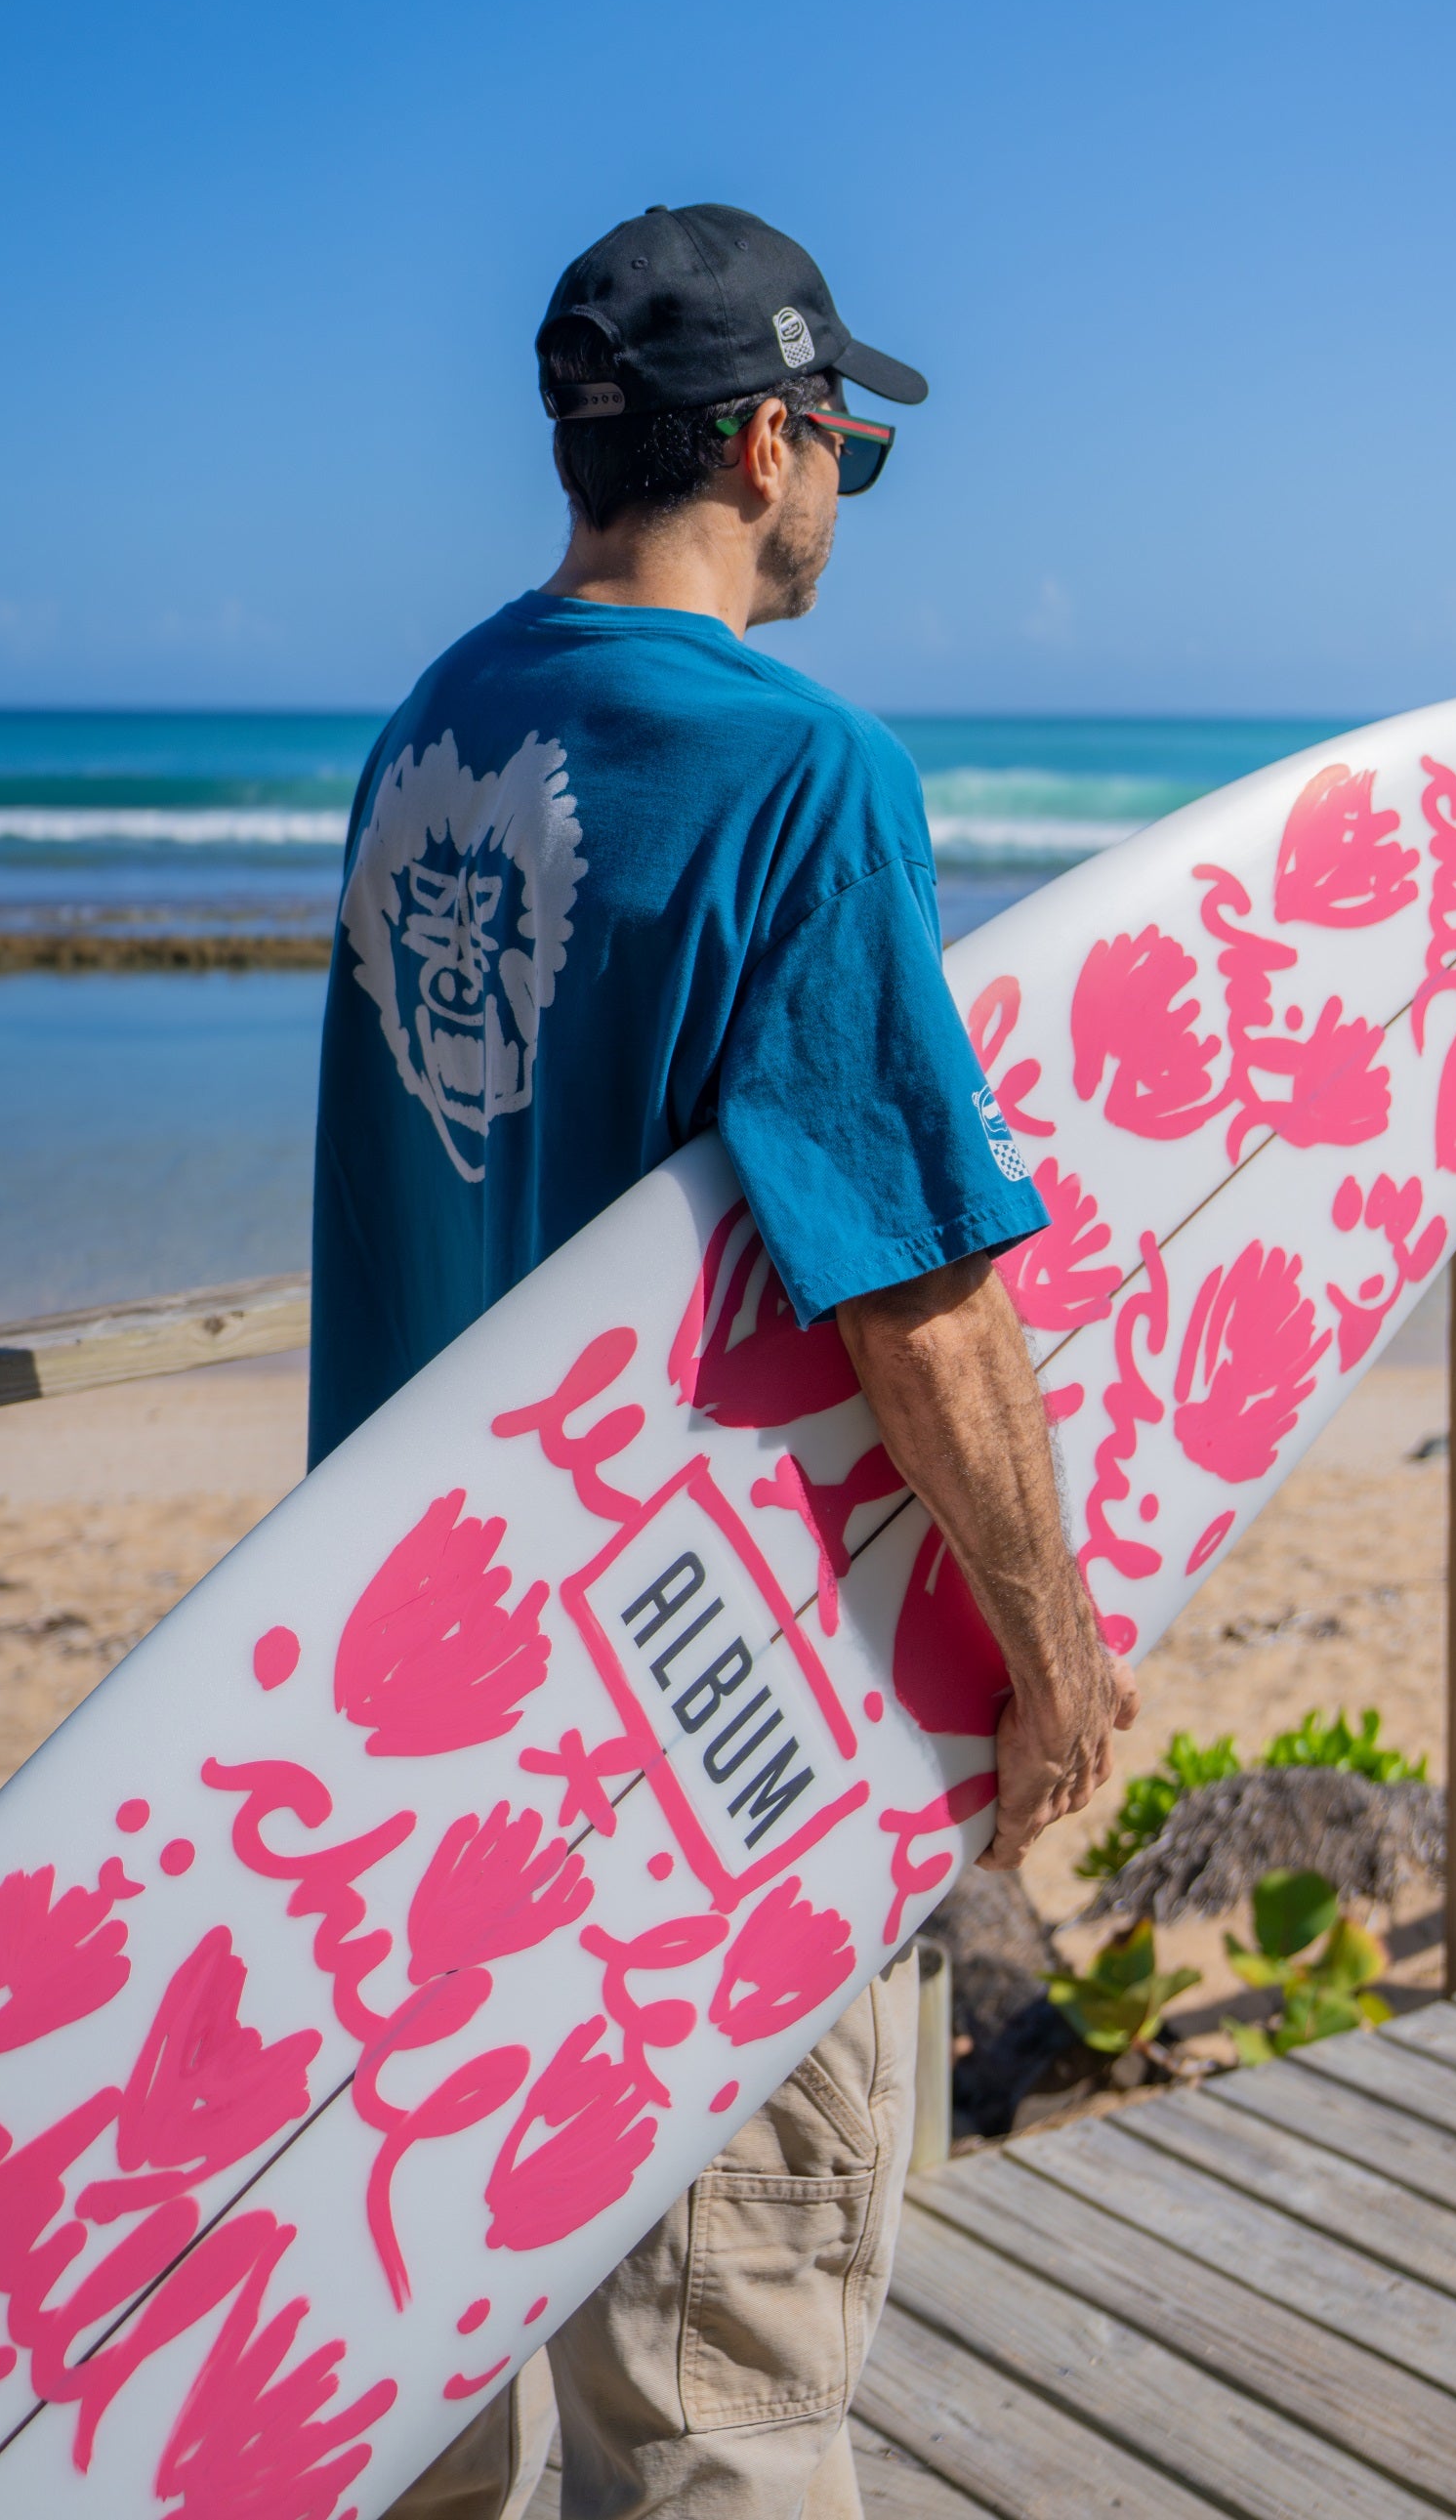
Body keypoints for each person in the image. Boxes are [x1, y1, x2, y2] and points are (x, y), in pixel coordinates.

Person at [311, 201, 1136, 2520]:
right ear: (768, 440)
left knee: (424, 2417)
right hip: (695, 1755)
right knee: (719, 2412)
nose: (840, 496)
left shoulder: (430, 738)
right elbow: (910, 1279)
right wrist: (1052, 1645)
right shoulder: (800, 768)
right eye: (845, 447)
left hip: (400, 1738)